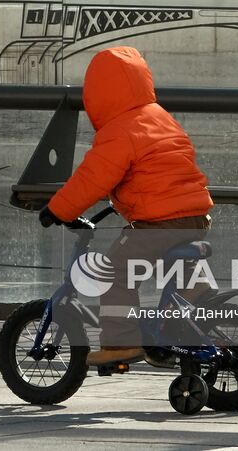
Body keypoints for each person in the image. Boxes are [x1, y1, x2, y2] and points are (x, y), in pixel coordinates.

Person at [39, 45, 214, 366]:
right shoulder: (160, 116)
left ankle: (120, 343)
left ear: (99, 94)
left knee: (115, 272)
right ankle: (178, 319)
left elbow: (92, 178)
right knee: (168, 262)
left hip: (159, 221)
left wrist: (58, 209)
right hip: (195, 215)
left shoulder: (120, 130)